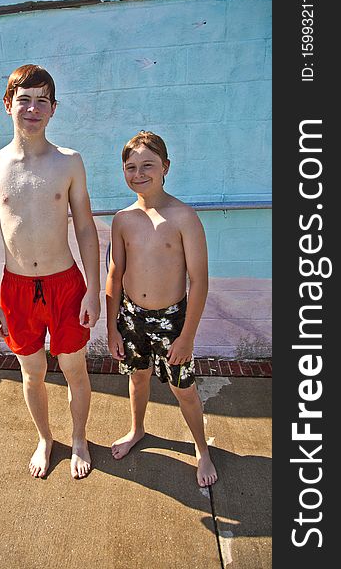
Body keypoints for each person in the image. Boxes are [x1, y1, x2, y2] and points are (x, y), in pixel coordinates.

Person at [0, 64, 100, 479]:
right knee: (32, 374)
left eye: (41, 100)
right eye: (24, 100)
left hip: (66, 284)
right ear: (8, 104)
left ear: (53, 109)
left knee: (74, 369)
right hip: (17, 289)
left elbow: (84, 227)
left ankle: (79, 438)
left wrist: (92, 290)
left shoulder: (69, 162)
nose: (32, 108)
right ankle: (46, 439)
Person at [106, 131, 217, 487]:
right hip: (132, 317)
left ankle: (202, 449)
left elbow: (198, 281)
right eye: (131, 167)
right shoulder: (122, 219)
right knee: (137, 378)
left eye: (147, 165)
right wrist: (111, 327)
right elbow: (115, 273)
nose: (138, 173)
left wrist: (187, 337)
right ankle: (137, 429)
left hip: (172, 322)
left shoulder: (184, 217)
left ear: (165, 167)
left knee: (183, 390)